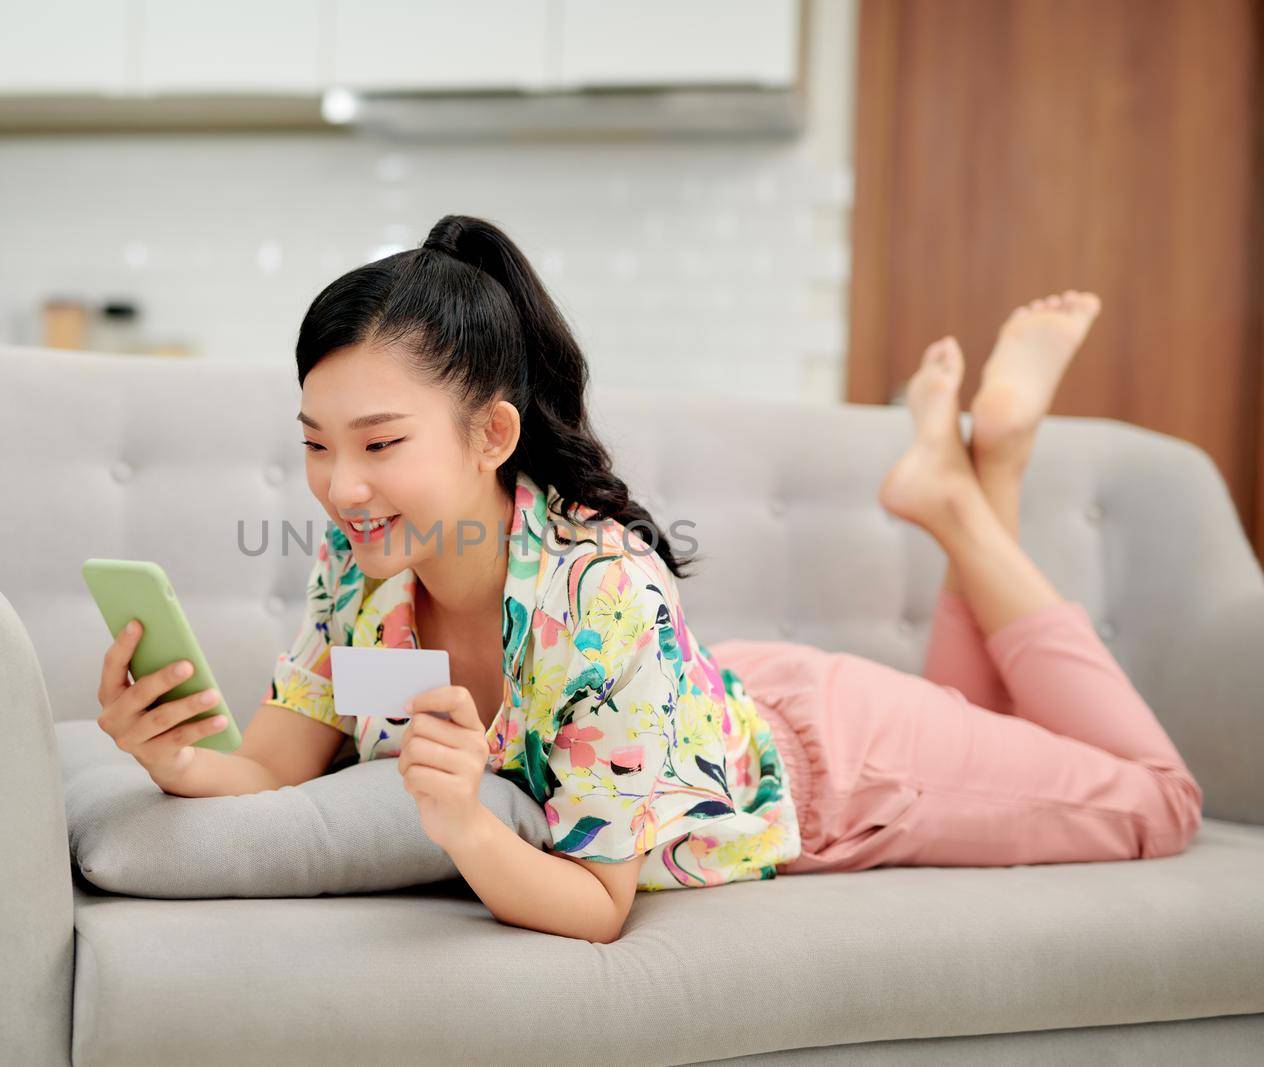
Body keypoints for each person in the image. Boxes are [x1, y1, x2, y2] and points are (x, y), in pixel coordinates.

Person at [94, 214, 1203, 944]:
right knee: (995, 714)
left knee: (1158, 801)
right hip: (708, 706)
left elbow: (596, 905)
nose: (339, 485)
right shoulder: (362, 563)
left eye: (380, 444)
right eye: (315, 442)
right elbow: (273, 765)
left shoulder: (598, 586)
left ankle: (961, 495)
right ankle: (986, 467)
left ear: (490, 433)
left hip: (845, 773)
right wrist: (176, 754)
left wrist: (463, 825)